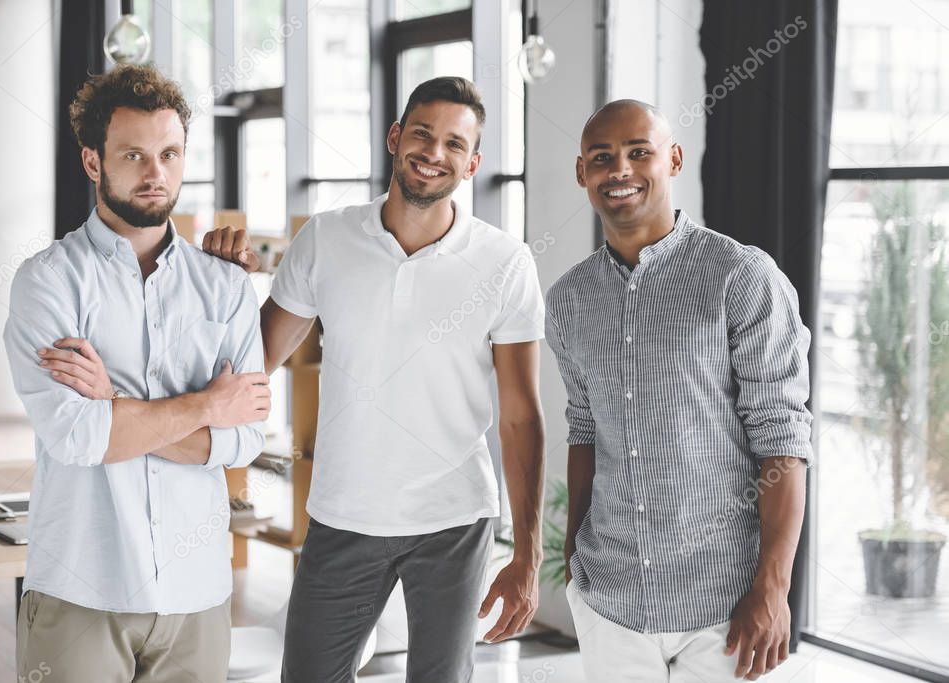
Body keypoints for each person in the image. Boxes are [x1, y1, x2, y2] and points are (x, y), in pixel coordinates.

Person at [200, 76, 547, 682]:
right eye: (422, 132)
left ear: (473, 164)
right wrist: (223, 285)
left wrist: (527, 549)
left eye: (453, 144)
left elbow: (522, 415)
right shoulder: (326, 239)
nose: (434, 152)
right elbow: (251, 363)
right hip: (343, 513)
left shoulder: (506, 262)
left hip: (454, 518)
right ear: (395, 136)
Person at [4, 64, 270, 683]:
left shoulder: (225, 286)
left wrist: (116, 403)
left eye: (170, 154)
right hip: (81, 586)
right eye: (134, 155)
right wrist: (208, 405)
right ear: (93, 162)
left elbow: (246, 439)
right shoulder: (47, 282)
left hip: (197, 595)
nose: (156, 174)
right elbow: (77, 437)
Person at [545, 99, 811, 682]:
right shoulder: (567, 300)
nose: (620, 170)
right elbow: (584, 430)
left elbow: (783, 442)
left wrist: (773, 587)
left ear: (673, 159)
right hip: (609, 602)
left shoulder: (741, 276)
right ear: (582, 173)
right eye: (601, 157)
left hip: (722, 607)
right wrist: (573, 562)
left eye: (639, 152)